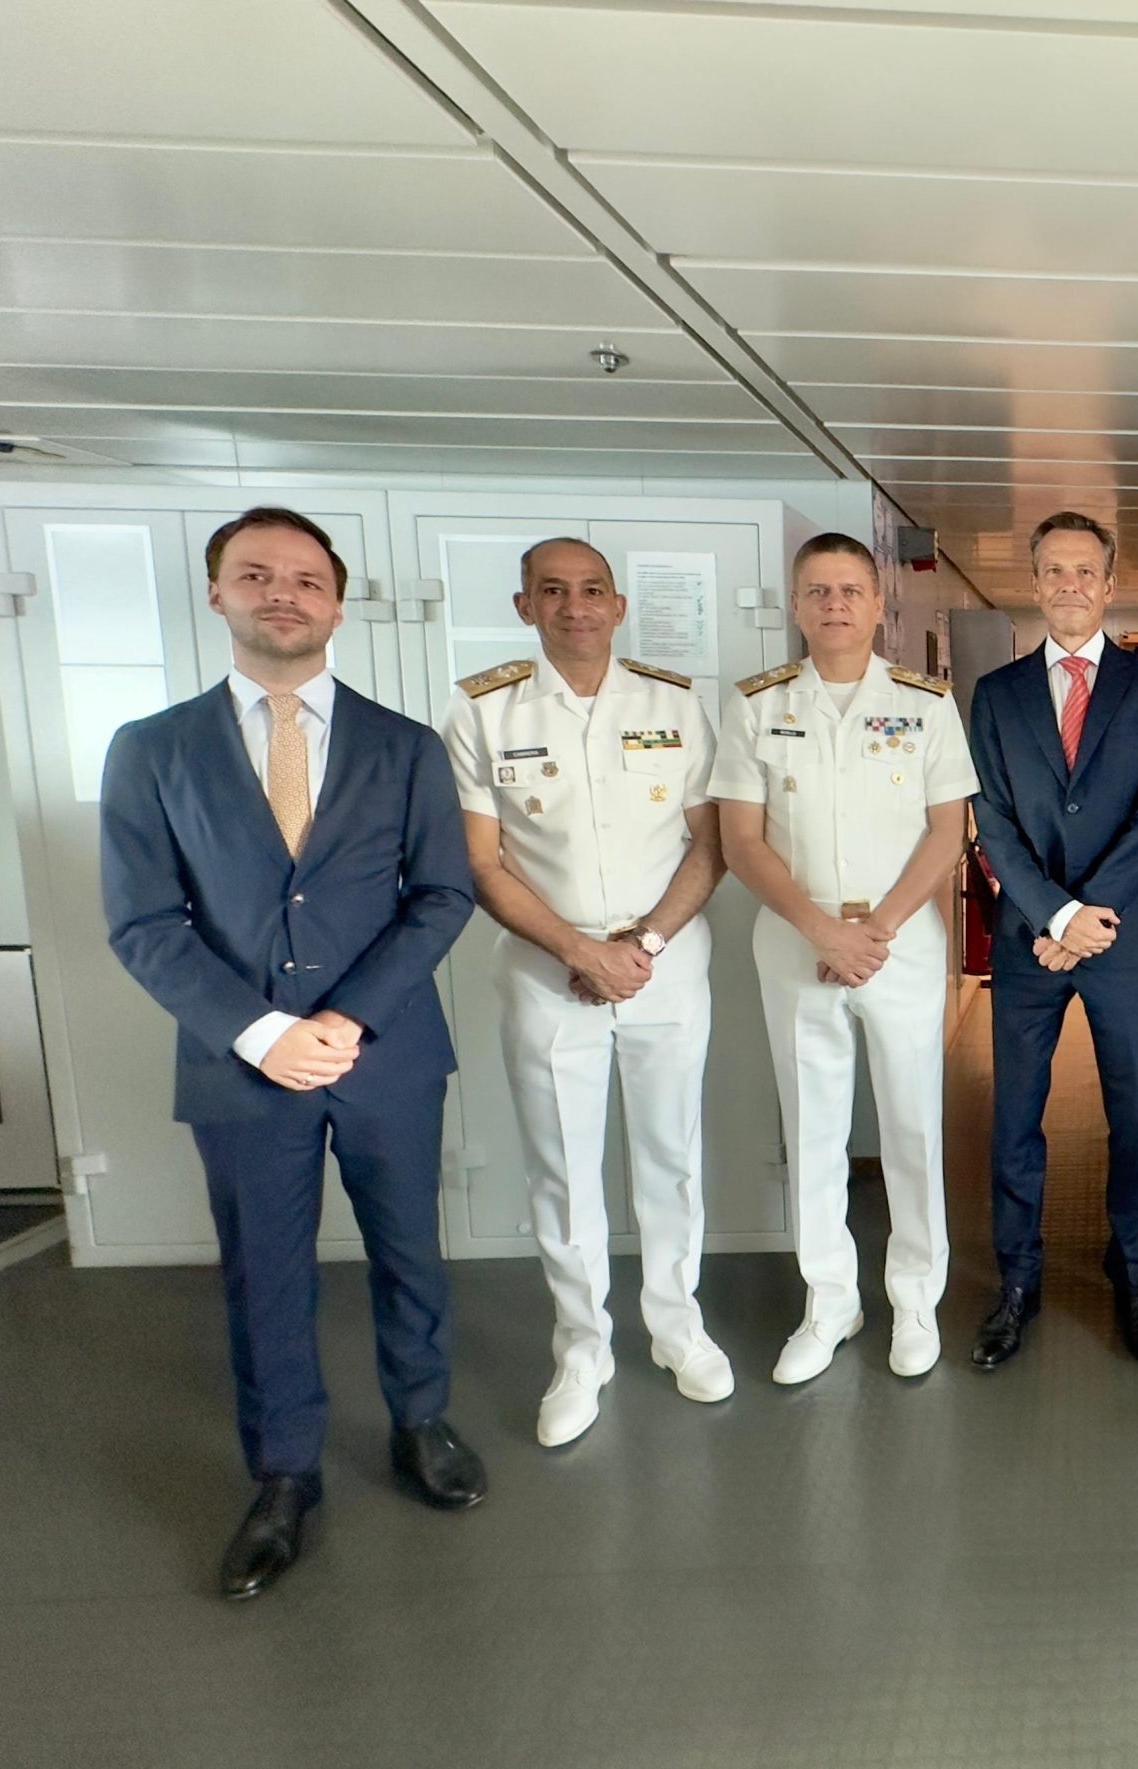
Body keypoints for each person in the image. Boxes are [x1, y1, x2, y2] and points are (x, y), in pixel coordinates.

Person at [99, 507, 481, 1601]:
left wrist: (346, 1019)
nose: (283, 592)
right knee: (264, 1271)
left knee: (409, 1250)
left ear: (337, 604)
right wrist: (265, 1032)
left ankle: (421, 1421)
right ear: (216, 592)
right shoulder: (152, 748)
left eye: (307, 578)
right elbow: (143, 922)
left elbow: (440, 894)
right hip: (240, 1063)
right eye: (256, 574)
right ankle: (283, 1473)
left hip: (384, 1052)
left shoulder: (405, 746)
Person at [441, 538, 732, 1449]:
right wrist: (577, 949)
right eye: (554, 591)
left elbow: (711, 844)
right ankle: (582, 1347)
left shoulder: (674, 704)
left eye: (593, 589)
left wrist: (639, 945)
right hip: (546, 969)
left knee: (670, 1154)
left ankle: (677, 1327)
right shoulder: (482, 711)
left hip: (663, 965)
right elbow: (480, 861)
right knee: (563, 1168)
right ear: (525, 606)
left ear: (618, 605)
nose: (576, 606)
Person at [713, 533, 976, 1384]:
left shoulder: (926, 704)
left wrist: (875, 931)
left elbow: (947, 831)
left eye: (851, 590)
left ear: (877, 605)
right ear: (796, 604)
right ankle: (829, 1302)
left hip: (899, 942)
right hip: (797, 941)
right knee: (813, 1128)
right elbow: (741, 840)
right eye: (819, 590)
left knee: (912, 1126)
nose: (835, 604)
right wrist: (823, 932)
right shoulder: (756, 705)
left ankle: (915, 1299)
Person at [966, 512, 1138, 1368]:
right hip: (1032, 941)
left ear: (1109, 582)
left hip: (1122, 938)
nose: (1069, 584)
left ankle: (1134, 1274)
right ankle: (1017, 1280)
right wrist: (1056, 917)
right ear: (1034, 583)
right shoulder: (998, 695)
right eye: (1054, 570)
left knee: (1134, 1116)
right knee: (1015, 1118)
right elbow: (993, 820)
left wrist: (1086, 916)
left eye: (1084, 570)